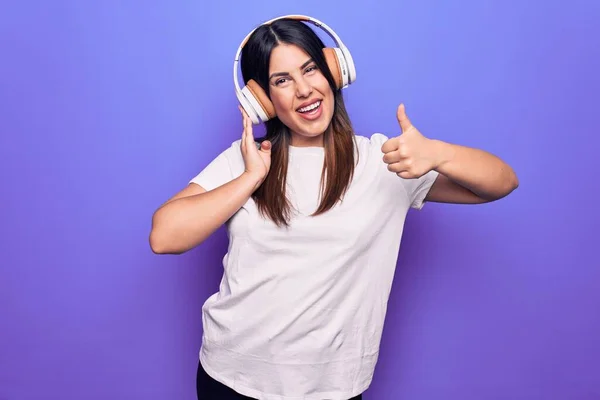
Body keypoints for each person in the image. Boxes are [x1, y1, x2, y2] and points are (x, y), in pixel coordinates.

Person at [149, 15, 519, 400]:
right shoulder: (245, 160)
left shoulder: (384, 161)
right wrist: (249, 179)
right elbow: (164, 236)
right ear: (263, 101)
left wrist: (439, 153)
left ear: (334, 71)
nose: (304, 90)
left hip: (332, 388)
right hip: (231, 378)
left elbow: (501, 182)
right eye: (282, 80)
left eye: (310, 69)